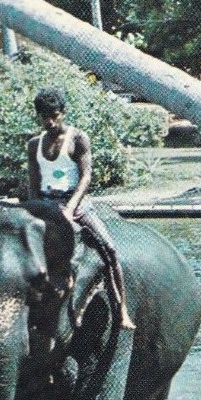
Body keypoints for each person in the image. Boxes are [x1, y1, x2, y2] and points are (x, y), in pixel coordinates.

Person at [27, 88, 136, 330]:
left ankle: (122, 311)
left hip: (74, 203)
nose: (50, 121)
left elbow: (86, 177)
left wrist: (70, 208)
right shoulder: (34, 144)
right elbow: (33, 185)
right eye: (44, 116)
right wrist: (35, 210)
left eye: (54, 115)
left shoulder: (78, 139)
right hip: (46, 203)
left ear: (63, 113)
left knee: (109, 249)